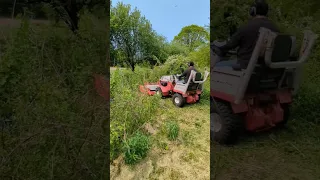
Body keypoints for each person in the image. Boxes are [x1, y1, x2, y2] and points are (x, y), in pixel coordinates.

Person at [212, 0, 280, 69]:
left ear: (253, 11)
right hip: (264, 68)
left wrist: (216, 45)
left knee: (215, 67)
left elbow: (230, 44)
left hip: (245, 66)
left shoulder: (247, 27)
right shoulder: (275, 29)